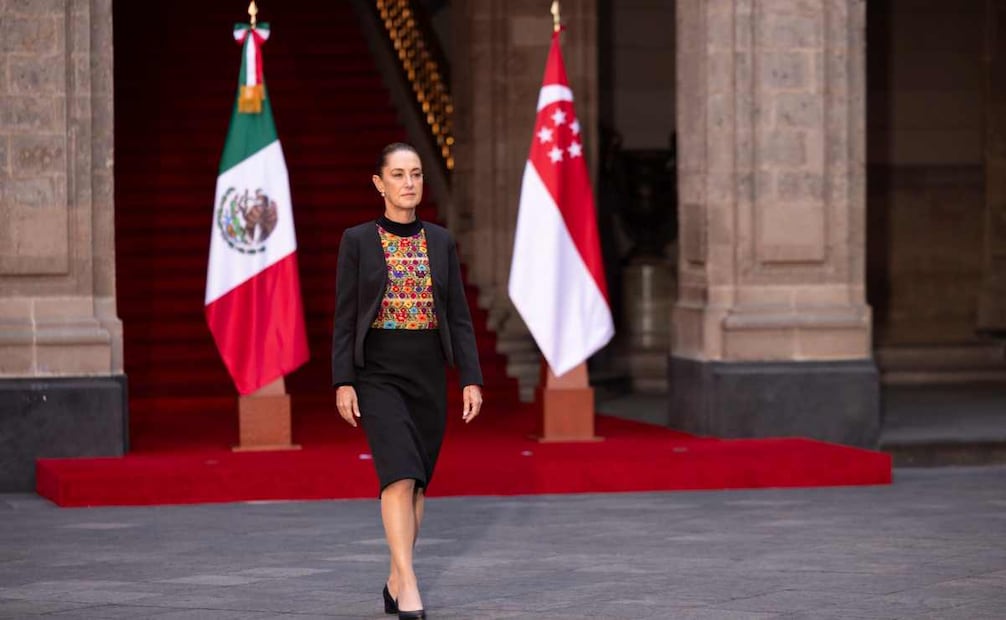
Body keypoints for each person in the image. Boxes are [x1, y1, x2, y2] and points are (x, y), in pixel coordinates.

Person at [331, 142, 484, 619]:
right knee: (397, 474)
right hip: (378, 373)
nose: (409, 183)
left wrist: (471, 378)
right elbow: (344, 317)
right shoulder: (357, 240)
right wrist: (343, 380)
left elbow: (458, 315)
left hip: (427, 374)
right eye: (398, 175)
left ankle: (396, 578)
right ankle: (411, 585)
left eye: (415, 173)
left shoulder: (441, 241)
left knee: (417, 483)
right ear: (380, 184)